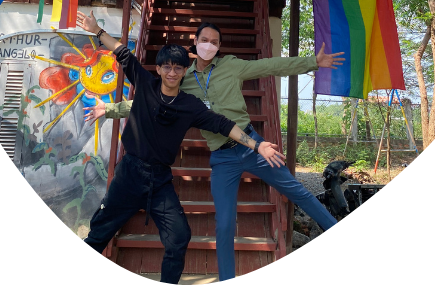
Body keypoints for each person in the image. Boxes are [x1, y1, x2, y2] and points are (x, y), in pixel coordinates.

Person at [90, 20, 345, 282]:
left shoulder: (230, 66)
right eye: (204, 40)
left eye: (214, 42)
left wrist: (313, 62)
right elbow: (146, 102)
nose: (209, 45)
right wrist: (109, 110)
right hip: (222, 158)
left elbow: (270, 66)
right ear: (196, 42)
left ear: (219, 46)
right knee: (224, 225)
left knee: (297, 190)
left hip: (252, 146)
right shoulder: (183, 78)